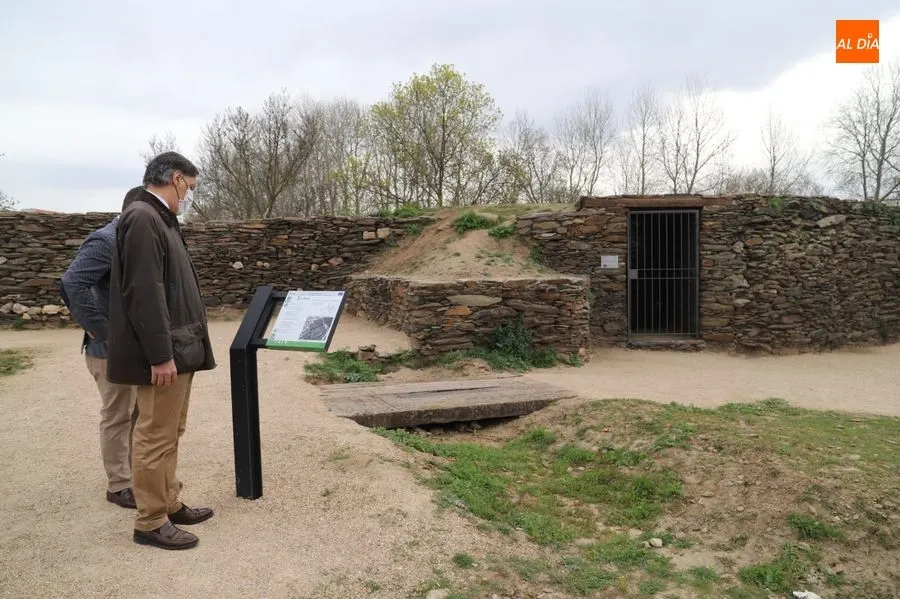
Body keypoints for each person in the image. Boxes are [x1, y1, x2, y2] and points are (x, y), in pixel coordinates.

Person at [107, 152, 216, 550]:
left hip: (179, 347)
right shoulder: (143, 218)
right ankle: (150, 521)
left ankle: (168, 502)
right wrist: (160, 355)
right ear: (175, 178)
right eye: (189, 186)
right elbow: (145, 294)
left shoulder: (158, 219)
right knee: (154, 434)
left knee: (172, 430)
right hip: (166, 353)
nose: (187, 195)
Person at [61, 186, 144, 509]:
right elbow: (72, 283)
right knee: (118, 416)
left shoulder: (131, 240)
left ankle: (137, 476)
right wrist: (103, 331)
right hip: (108, 352)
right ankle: (119, 485)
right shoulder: (105, 241)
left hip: (133, 350)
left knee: (137, 413)